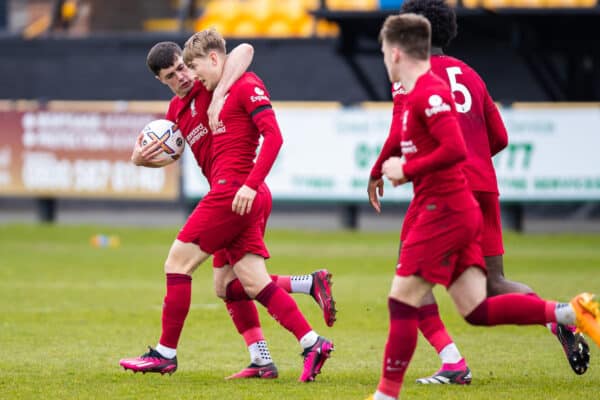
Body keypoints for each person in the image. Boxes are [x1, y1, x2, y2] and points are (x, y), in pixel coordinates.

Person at [364, 13, 600, 400]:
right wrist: (471, 161)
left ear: (400, 47)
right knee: (488, 291)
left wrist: (392, 169)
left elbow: (401, 131)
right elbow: (500, 136)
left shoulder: (416, 80)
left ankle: (438, 368)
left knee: (407, 286)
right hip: (481, 188)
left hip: (442, 197)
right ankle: (564, 315)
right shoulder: (468, 74)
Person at [119, 41, 335, 380]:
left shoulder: (218, 83)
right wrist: (138, 158)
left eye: (182, 67)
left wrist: (219, 94)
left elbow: (244, 50)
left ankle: (165, 353)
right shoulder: (175, 111)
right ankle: (291, 345)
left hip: (233, 191)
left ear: (192, 62)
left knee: (177, 264)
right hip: (230, 194)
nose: (182, 77)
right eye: (171, 75)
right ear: (162, 81)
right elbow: (165, 148)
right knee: (234, 285)